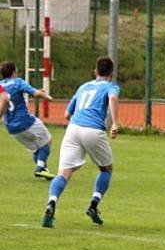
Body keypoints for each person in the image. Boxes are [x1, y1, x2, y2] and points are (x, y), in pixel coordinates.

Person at [42, 56, 120, 228]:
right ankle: (93, 205)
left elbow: (67, 115)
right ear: (111, 73)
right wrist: (114, 122)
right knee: (106, 169)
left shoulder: (83, 87)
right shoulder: (111, 86)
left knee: (63, 173)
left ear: (95, 71)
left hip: (73, 129)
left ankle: (51, 202)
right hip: (93, 130)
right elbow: (113, 98)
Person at [0, 61, 56, 179]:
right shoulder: (18, 82)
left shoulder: (0, 86)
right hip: (26, 121)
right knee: (47, 140)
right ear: (14, 71)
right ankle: (40, 168)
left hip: (11, 127)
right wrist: (47, 97)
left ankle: (44, 169)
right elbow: (35, 94)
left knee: (36, 149)